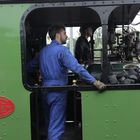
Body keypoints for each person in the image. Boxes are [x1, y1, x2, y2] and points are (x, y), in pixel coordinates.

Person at [39, 25, 106, 140]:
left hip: (44, 90)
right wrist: (94, 81)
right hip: (57, 91)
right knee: (56, 127)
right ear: (58, 35)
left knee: (49, 123)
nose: (67, 36)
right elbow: (77, 68)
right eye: (65, 33)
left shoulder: (43, 51)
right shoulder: (62, 51)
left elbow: (31, 65)